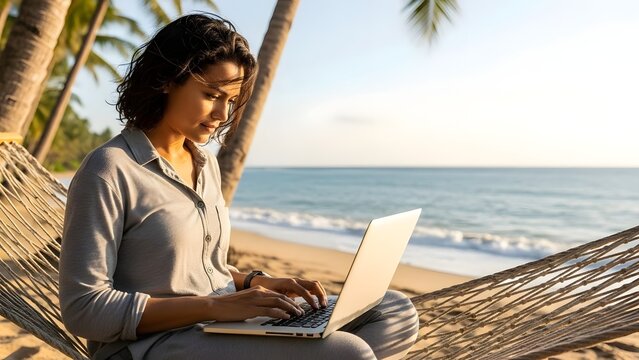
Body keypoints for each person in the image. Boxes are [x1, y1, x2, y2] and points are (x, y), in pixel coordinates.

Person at [59, 13, 419, 360]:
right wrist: (216, 306)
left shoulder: (205, 164)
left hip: (220, 324)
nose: (221, 115)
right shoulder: (111, 169)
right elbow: (84, 309)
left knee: (394, 311)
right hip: (151, 344)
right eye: (212, 95)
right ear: (167, 79)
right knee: (350, 352)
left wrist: (254, 282)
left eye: (230, 101)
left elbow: (195, 268)